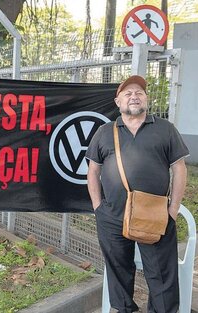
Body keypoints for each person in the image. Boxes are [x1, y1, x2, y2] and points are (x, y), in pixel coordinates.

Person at [86, 75, 189, 313]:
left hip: (155, 215)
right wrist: (98, 208)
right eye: (128, 94)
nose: (134, 96)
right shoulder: (104, 132)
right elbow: (93, 171)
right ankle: (124, 310)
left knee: (161, 274)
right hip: (112, 216)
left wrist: (172, 209)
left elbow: (179, 168)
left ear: (147, 99)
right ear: (118, 101)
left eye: (139, 93)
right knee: (118, 271)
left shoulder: (165, 129)